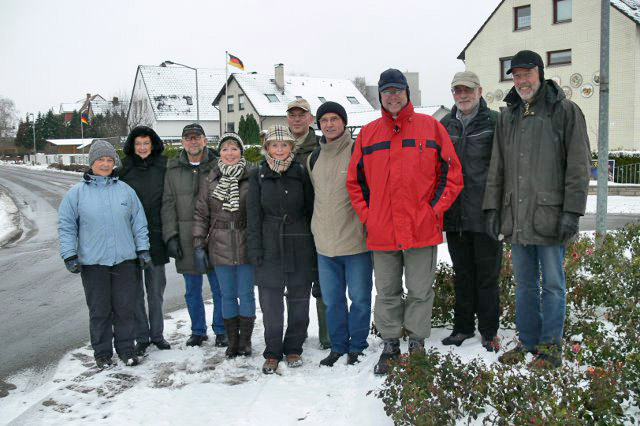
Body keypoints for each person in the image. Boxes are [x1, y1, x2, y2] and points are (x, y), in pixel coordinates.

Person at [347, 68, 463, 375]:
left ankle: (417, 342)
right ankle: (390, 344)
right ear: (380, 96)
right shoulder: (368, 135)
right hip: (382, 230)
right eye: (387, 91)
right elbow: (354, 183)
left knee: (420, 290)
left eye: (398, 90)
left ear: (407, 93)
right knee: (386, 291)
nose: (393, 96)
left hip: (421, 228)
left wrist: (433, 210)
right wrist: (369, 216)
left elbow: (452, 174)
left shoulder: (431, 128)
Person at [482, 50, 591, 368]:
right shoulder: (508, 116)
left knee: (553, 284)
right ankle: (527, 341)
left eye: (526, 74)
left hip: (550, 216)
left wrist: (572, 212)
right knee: (524, 284)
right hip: (516, 217)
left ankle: (550, 347)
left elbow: (579, 167)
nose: (521, 80)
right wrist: (492, 208)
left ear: (540, 74)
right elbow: (497, 166)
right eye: (515, 75)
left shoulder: (565, 111)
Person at [59, 140, 151, 368]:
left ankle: (126, 350)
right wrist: (70, 254)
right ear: (92, 163)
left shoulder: (125, 191)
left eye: (110, 160)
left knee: (124, 308)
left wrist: (142, 249)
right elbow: (67, 225)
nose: (105, 164)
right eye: (101, 160)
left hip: (124, 261)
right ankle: (102, 354)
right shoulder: (77, 194)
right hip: (93, 263)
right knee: (99, 310)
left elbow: (139, 223)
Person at [440, 71, 502, 352]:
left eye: (467, 90)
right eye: (457, 91)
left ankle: (489, 330)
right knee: (462, 274)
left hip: (485, 212)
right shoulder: (444, 126)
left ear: (479, 91)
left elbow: (504, 167)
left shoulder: (494, 122)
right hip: (455, 215)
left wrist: (499, 207)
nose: (462, 95)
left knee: (487, 276)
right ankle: (462, 327)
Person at [307, 101, 373, 367]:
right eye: (324, 120)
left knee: (359, 298)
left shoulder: (358, 150)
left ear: (344, 122)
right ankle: (337, 346)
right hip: (324, 244)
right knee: (332, 301)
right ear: (319, 124)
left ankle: (357, 345)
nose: (330, 124)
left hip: (356, 241)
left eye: (335, 119)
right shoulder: (313, 157)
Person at [247, 125, 316, 374]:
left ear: (291, 147)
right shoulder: (258, 175)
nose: (279, 149)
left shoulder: (300, 172)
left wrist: (312, 245)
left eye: (284, 145)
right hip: (269, 243)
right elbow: (253, 215)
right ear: (267, 148)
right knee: (271, 302)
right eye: (274, 145)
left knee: (299, 298)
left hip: (299, 241)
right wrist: (254, 249)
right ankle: (273, 351)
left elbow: (310, 210)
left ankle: (294, 346)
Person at [161, 123, 226, 347]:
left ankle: (221, 330)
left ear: (205, 140)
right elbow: (168, 204)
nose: (193, 142)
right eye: (188, 138)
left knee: (219, 288)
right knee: (192, 290)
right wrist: (171, 235)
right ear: (182, 142)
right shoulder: (173, 169)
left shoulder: (218, 165)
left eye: (197, 137)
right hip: (186, 237)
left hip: (215, 235)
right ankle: (198, 331)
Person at [193, 133, 256, 358]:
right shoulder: (210, 179)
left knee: (246, 294)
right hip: (219, 244)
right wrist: (199, 243)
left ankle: (246, 341)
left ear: (241, 152)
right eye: (225, 149)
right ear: (219, 153)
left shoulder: (252, 176)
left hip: (245, 242)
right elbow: (201, 214)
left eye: (234, 149)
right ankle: (232, 341)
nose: (230, 153)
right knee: (226, 295)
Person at [120, 126, 171, 356]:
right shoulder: (123, 170)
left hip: (156, 236)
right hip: (129, 238)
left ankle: (157, 334)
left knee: (156, 291)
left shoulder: (164, 166)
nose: (142, 148)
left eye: (146, 143)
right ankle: (142, 336)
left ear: (153, 145)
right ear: (132, 146)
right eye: (138, 144)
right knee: (135, 293)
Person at [287, 98, 330, 350]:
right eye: (292, 115)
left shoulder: (320, 146)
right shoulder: (281, 147)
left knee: (323, 283)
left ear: (310, 118)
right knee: (297, 285)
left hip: (319, 221)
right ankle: (297, 333)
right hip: (293, 227)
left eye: (301, 114)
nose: (296, 119)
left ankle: (327, 335)